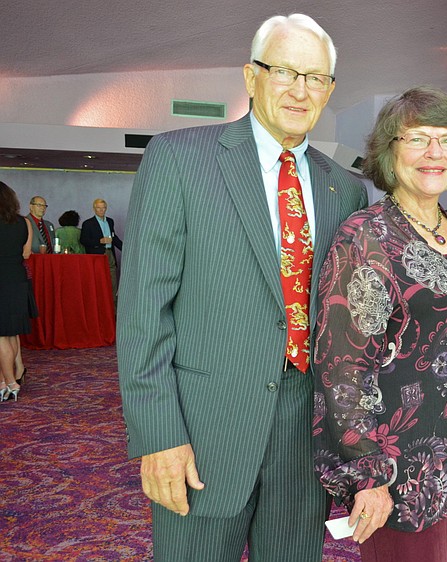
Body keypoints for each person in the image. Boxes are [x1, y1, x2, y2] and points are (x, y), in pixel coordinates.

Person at [116, 13, 368, 562]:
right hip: (204, 428)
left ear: (329, 90)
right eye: (285, 72)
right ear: (251, 77)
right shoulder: (179, 159)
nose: (301, 90)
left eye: (316, 78)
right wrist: (158, 436)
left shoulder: (346, 188)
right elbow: (143, 313)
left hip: (306, 436)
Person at [311, 86, 447, 562]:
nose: (435, 152)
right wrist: (367, 474)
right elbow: (342, 367)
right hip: (402, 461)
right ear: (390, 154)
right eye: (417, 139)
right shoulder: (367, 236)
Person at [0, 182, 36, 402]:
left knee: (1, 335)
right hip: (17, 278)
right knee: (11, 333)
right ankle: (8, 380)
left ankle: (9, 382)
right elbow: (26, 254)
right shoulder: (24, 222)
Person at [81, 198, 123, 301]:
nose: (101, 210)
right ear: (94, 209)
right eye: (98, 208)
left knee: (113, 281)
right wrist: (99, 241)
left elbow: (114, 238)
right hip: (97, 255)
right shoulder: (88, 223)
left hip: (110, 253)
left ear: (106, 209)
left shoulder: (110, 221)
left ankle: (112, 308)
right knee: (99, 281)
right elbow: (83, 240)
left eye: (103, 208)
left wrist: (126, 249)